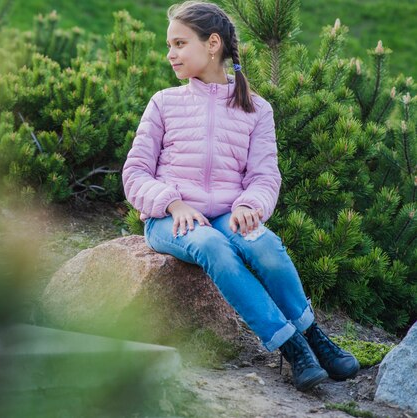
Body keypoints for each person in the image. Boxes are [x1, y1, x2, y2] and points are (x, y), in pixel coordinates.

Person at [121, 0, 359, 391]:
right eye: (170, 45)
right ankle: (292, 348)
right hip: (171, 219)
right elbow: (134, 173)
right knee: (213, 247)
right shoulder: (164, 103)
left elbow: (265, 175)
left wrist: (250, 205)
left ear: (212, 43)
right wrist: (171, 202)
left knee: (264, 244)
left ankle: (314, 336)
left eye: (180, 43)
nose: (170, 53)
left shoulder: (257, 109)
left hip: (228, 213)